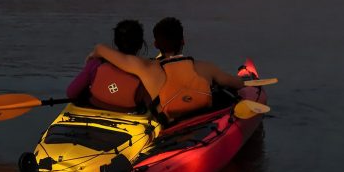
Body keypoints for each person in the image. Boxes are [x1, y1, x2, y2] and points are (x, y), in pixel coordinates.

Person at [88, 17, 245, 125]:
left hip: (171, 126)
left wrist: (93, 56)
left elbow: (100, 48)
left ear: (156, 44)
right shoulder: (206, 67)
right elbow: (237, 84)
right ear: (183, 41)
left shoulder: (146, 68)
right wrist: (246, 79)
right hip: (202, 122)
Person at [67, 20, 149, 113]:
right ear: (141, 45)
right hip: (129, 115)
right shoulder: (147, 71)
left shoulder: (96, 63)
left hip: (94, 108)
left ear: (115, 42)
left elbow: (71, 93)